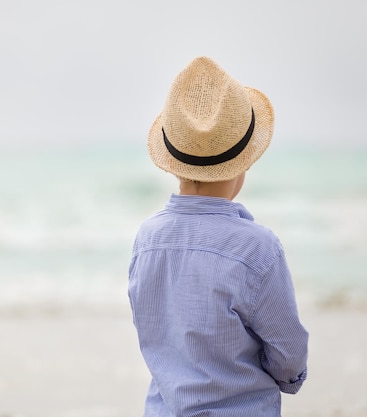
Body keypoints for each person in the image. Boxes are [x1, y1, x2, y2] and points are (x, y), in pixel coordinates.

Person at [128, 56, 309, 417]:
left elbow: (154, 331)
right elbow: (288, 350)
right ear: (243, 162)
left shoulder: (147, 239)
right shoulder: (257, 247)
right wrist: (288, 378)